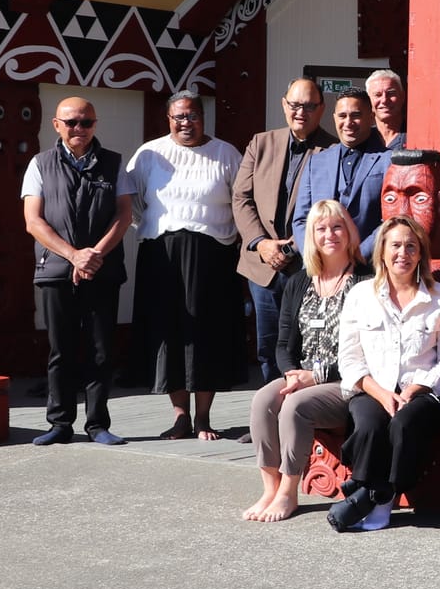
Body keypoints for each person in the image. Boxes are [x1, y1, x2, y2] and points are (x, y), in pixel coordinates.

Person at [326, 216, 440, 532]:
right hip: (373, 387)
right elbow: (349, 359)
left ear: (421, 253)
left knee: (403, 425)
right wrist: (381, 393)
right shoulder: (360, 294)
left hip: (423, 391)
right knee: (371, 425)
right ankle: (371, 491)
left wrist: (419, 387)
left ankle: (375, 499)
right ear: (382, 251)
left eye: (411, 246)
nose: (403, 253)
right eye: (396, 245)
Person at [241, 200, 367, 521]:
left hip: (350, 380)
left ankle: (288, 491)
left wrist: (317, 376)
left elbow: (368, 347)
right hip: (302, 376)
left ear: (350, 232)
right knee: (263, 400)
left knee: (295, 406)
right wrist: (292, 375)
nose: (330, 234)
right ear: (311, 235)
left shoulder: (366, 280)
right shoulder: (299, 281)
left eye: (337, 226)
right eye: (321, 228)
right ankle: (269, 487)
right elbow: (283, 343)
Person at [130, 92, 244, 441]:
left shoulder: (226, 154)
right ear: (168, 119)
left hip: (213, 257)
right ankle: (180, 415)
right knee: (169, 332)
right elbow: (132, 203)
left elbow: (242, 202)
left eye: (192, 116)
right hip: (161, 255)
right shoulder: (149, 154)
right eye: (179, 116)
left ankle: (203, 418)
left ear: (202, 117)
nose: (185, 123)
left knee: (205, 334)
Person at [23, 96, 134, 447]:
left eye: (86, 122)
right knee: (61, 349)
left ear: (95, 125)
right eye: (71, 122)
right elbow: (33, 221)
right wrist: (73, 255)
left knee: (101, 350)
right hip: (56, 269)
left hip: (102, 269)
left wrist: (94, 255)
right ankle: (59, 423)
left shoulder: (115, 164)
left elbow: (124, 215)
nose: (79, 129)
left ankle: (98, 423)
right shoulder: (40, 164)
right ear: (56, 125)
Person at [234, 79, 334, 386]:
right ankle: (269, 411)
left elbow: (332, 207)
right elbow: (241, 197)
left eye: (308, 105)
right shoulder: (261, 143)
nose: (300, 111)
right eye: (294, 104)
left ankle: (297, 412)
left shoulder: (332, 150)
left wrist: (291, 248)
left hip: (307, 264)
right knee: (267, 343)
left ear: (321, 109)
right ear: (283, 105)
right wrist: (261, 243)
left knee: (302, 341)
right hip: (261, 264)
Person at [291, 90, 389, 259]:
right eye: (342, 116)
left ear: (372, 117)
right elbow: (301, 220)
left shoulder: (388, 161)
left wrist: (358, 256)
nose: (348, 122)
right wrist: (315, 257)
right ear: (334, 118)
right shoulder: (316, 162)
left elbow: (389, 220)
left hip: (368, 269)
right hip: (320, 269)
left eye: (356, 115)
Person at [367, 68, 406, 148]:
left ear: (402, 96)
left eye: (391, 93)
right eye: (378, 95)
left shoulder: (416, 136)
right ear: (368, 101)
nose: (384, 100)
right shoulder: (363, 140)